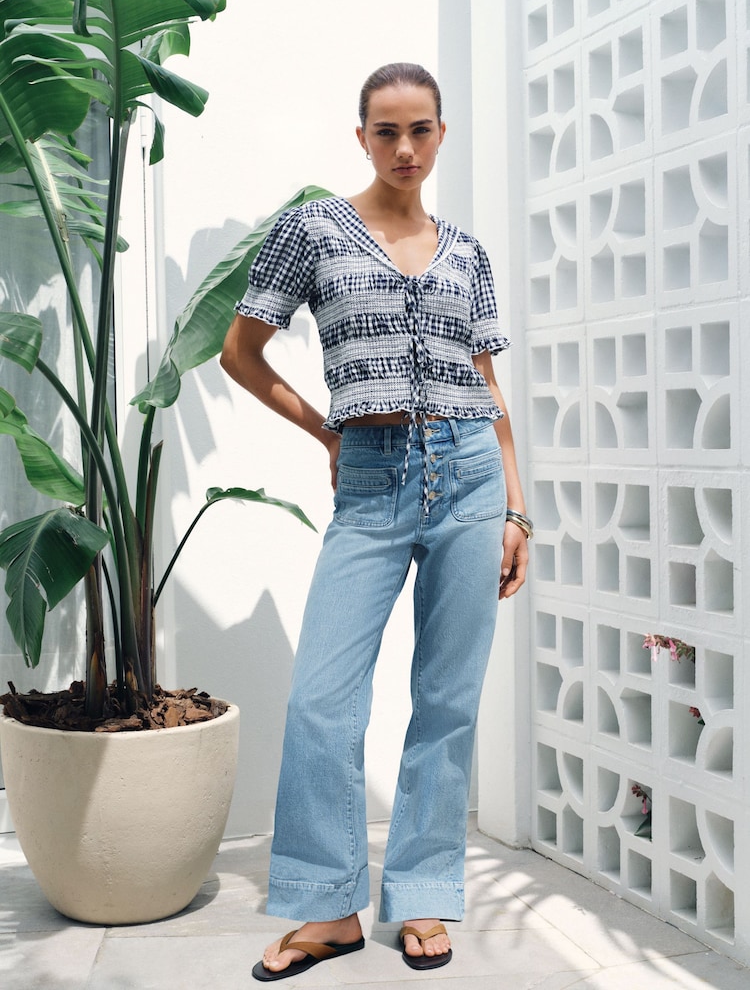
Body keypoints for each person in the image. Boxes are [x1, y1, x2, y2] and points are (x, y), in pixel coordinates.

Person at [221, 61, 530, 982]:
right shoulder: (314, 229)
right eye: (387, 131)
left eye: (421, 130)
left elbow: (486, 382)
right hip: (372, 480)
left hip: (472, 476)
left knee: (447, 698)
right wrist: (326, 432)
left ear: (441, 136)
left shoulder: (466, 252)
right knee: (322, 700)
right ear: (360, 136)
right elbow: (242, 353)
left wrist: (515, 501)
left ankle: (425, 896)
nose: (404, 148)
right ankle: (327, 912)